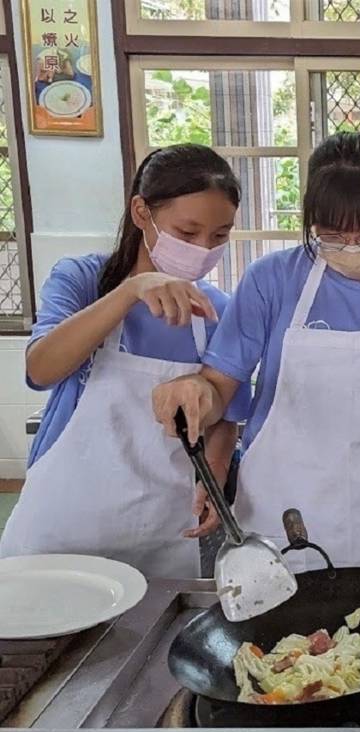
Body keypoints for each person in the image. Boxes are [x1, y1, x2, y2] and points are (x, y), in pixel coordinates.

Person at [152, 131, 360, 573]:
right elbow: (219, 387)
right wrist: (194, 391)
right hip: (269, 522)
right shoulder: (271, 281)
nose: (352, 248)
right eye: (333, 234)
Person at [1, 144, 250, 576]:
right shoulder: (85, 279)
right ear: (141, 212)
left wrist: (216, 467)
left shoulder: (215, 311)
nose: (203, 248)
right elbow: (40, 369)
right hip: (62, 528)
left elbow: (226, 413)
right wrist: (130, 291)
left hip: (162, 530)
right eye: (187, 233)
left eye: (220, 235)